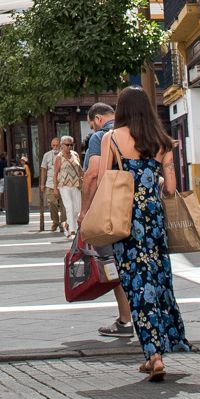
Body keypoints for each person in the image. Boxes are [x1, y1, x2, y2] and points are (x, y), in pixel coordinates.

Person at [85, 88, 190, 382]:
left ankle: (152, 354)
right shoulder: (161, 140)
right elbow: (170, 187)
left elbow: (106, 178)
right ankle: (163, 346)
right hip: (153, 217)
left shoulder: (111, 138)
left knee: (135, 283)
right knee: (157, 279)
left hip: (124, 217)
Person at [81, 102, 137, 339]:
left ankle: (125, 320)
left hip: (112, 210)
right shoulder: (135, 131)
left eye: (92, 123)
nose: (93, 127)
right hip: (138, 208)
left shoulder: (101, 137)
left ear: (97, 118)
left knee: (111, 263)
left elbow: (93, 175)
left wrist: (85, 212)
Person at [40, 134, 76, 234]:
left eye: (57, 145)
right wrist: (42, 184)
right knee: (52, 203)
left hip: (63, 183)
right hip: (50, 183)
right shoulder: (47, 155)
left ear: (60, 145)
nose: (55, 147)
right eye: (53, 146)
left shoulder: (65, 155)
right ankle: (55, 221)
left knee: (65, 205)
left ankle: (63, 223)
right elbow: (43, 170)